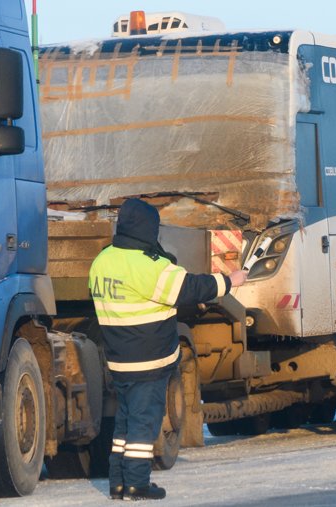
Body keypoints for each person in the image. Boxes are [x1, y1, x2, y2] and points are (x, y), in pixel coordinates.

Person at [88, 198, 247, 501]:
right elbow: (191, 288)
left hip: (119, 359)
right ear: (149, 229)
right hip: (149, 359)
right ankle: (136, 483)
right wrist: (230, 281)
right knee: (144, 422)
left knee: (124, 421)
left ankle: (117, 482)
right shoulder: (150, 266)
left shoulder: (103, 260)